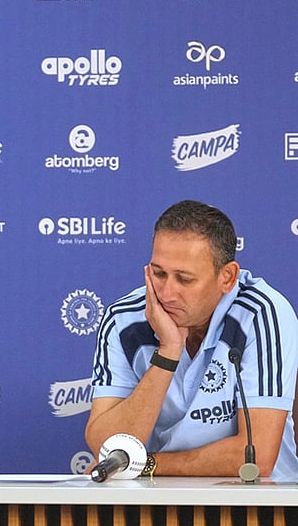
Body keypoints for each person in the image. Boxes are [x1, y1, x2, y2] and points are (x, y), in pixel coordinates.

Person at [85, 200, 298, 480]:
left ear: (228, 277)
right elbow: (106, 444)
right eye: (159, 274)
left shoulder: (262, 313)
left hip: (258, 506)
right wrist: (168, 352)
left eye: (184, 280)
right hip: (154, 503)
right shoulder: (124, 319)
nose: (167, 293)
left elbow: (255, 456)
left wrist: (146, 464)